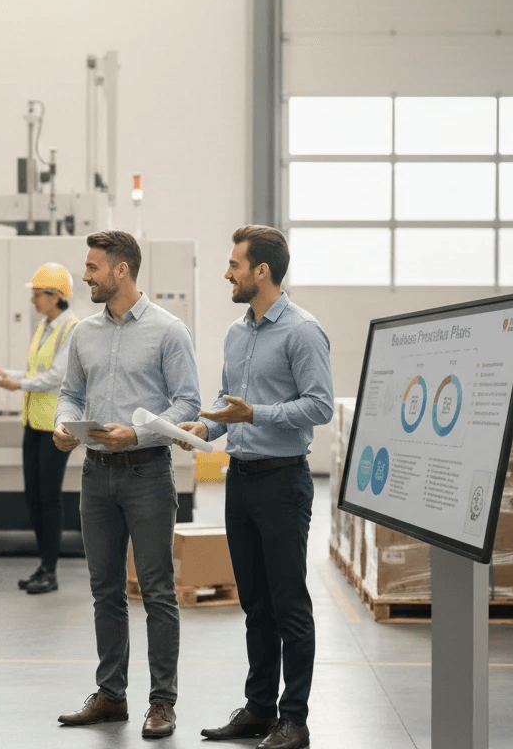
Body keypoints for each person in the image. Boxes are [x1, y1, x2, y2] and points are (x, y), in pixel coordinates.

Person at [176, 225, 333, 749]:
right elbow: (230, 404)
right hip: (240, 482)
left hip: (284, 482)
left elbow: (319, 406)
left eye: (235, 265)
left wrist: (256, 413)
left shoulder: (303, 332)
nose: (227, 273)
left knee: (289, 602)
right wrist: (205, 429)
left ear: (261, 271)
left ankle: (295, 719)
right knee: (254, 603)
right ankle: (260, 708)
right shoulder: (237, 332)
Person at [53, 230, 201, 740]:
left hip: (147, 473)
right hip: (95, 474)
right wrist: (64, 423)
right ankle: (111, 695)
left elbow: (188, 404)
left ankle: (163, 703)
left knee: (157, 591)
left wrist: (135, 433)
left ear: (121, 270)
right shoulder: (84, 332)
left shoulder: (168, 330)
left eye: (93, 267)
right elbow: (72, 393)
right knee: (105, 591)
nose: (85, 276)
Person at [0, 262, 79, 595]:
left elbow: (57, 376)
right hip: (33, 422)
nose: (33, 301)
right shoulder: (45, 326)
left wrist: (18, 385)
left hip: (54, 427)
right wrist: (9, 375)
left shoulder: (71, 328)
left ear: (55, 296)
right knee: (34, 497)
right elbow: (37, 370)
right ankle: (43, 566)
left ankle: (51, 571)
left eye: (37, 294)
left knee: (49, 498)